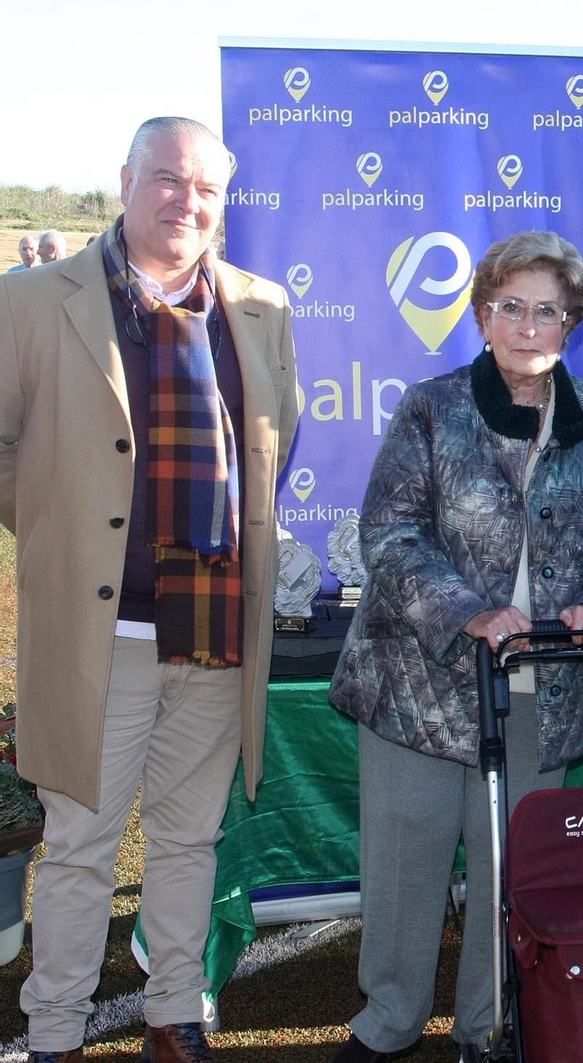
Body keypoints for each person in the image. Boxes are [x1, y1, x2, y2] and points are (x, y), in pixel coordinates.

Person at [0, 116, 300, 1063]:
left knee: (186, 841)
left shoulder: (261, 305)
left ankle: (176, 1011)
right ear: (126, 179)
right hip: (103, 636)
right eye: (168, 178)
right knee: (84, 846)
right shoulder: (34, 299)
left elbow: (274, 444)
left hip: (214, 631)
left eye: (207, 188)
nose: (187, 200)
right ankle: (52, 1029)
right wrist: (59, 525)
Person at [326, 230, 583, 1063]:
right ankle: (391, 1021)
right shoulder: (431, 407)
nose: (529, 325)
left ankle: (489, 1025)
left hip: (542, 690)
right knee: (407, 869)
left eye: (549, 311)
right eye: (512, 307)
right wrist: (469, 609)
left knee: (517, 877)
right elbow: (390, 533)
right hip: (420, 682)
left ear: (571, 325)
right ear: (482, 316)